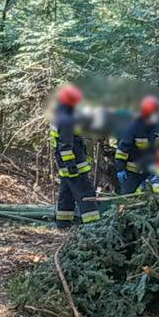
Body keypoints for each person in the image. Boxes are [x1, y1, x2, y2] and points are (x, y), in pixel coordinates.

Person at [51, 84, 100, 229]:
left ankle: (63, 223)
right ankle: (94, 226)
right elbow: (65, 145)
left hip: (66, 164)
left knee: (66, 194)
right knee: (85, 192)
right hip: (74, 165)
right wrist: (71, 166)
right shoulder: (66, 118)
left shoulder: (61, 114)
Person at [114, 95, 159, 194]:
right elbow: (122, 150)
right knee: (128, 198)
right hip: (132, 173)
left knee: (152, 198)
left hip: (151, 172)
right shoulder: (133, 127)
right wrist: (120, 169)